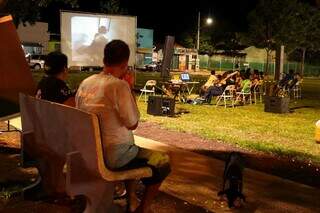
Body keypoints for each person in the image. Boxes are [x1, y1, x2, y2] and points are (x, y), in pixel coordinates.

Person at [75, 40, 170, 212]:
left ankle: (130, 198)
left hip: (88, 152)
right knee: (162, 161)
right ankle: (143, 208)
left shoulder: (85, 83)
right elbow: (133, 124)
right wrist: (130, 88)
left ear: (104, 60)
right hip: (114, 157)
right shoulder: (119, 86)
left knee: (132, 149)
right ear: (125, 63)